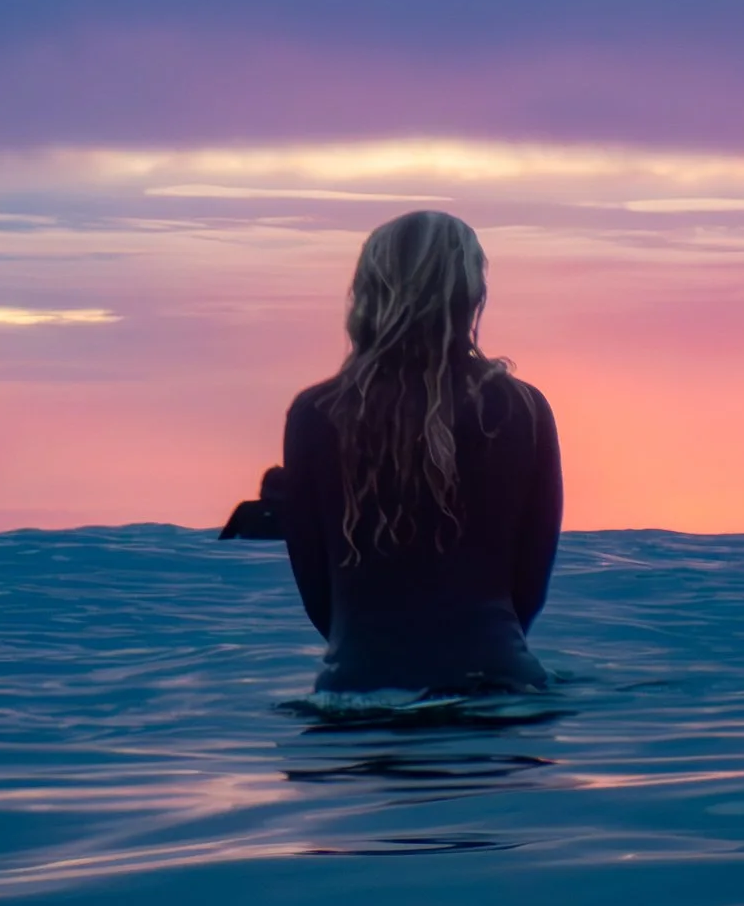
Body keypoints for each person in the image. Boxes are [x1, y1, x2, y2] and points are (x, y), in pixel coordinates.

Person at [280, 210, 562, 694]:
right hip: (498, 683)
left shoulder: (316, 412)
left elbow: (316, 588)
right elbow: (529, 583)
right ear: (471, 294)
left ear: (367, 290)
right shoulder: (522, 409)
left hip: (359, 686)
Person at [219, 466, 290, 540]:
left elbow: (224, 539)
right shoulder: (295, 512)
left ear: (263, 487)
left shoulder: (244, 509)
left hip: (248, 550)